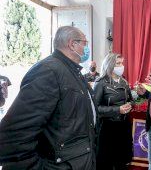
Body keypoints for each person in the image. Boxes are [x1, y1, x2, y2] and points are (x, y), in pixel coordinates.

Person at [0, 26, 98, 170]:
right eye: (85, 43)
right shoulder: (48, 71)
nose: (87, 47)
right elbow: (14, 136)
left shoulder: (73, 71)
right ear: (72, 44)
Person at [93, 53, 133, 170]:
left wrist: (131, 104)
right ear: (110, 65)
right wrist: (117, 110)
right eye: (118, 63)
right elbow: (95, 108)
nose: (121, 66)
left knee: (122, 161)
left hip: (124, 126)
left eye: (122, 63)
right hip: (107, 127)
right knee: (106, 163)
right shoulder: (101, 82)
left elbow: (129, 100)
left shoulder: (124, 82)